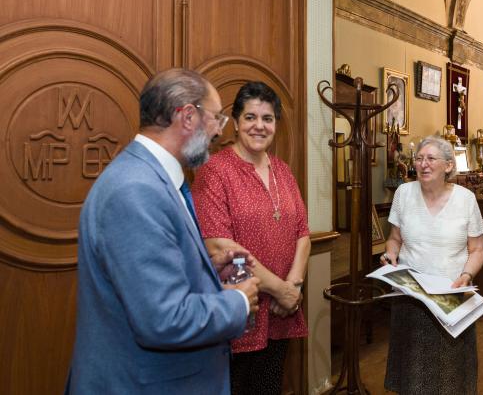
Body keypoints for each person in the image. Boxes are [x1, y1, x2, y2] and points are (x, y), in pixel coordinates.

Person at [67, 69, 260, 394]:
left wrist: (206, 271)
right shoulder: (136, 190)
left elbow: (145, 279)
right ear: (187, 117)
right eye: (217, 119)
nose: (218, 132)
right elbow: (163, 319)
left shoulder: (152, 178)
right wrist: (238, 302)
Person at [192, 81, 310, 395]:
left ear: (276, 124)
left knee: (269, 387)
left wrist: (294, 287)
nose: (259, 126)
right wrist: (281, 289)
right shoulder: (215, 171)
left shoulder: (283, 170)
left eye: (267, 118)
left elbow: (303, 233)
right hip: (240, 311)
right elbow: (218, 245)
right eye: (250, 117)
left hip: (281, 313)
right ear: (236, 121)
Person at [380, 135, 483, 394]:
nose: (423, 164)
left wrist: (467, 274)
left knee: (451, 375)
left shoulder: (465, 199)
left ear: (448, 166)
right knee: (411, 374)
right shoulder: (404, 193)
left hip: (451, 297)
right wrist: (391, 256)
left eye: (430, 159)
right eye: (419, 159)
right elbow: (394, 239)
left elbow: (477, 249)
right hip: (411, 298)